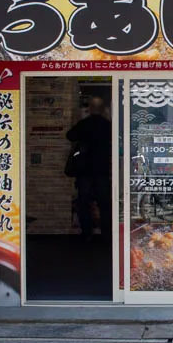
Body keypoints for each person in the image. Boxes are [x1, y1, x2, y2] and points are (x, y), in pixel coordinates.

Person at [66, 96, 112, 244]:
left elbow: (70, 135)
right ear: (103, 109)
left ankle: (87, 233)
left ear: (90, 109)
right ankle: (107, 234)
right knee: (104, 204)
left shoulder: (84, 124)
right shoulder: (108, 125)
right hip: (102, 170)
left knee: (84, 203)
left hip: (84, 170)